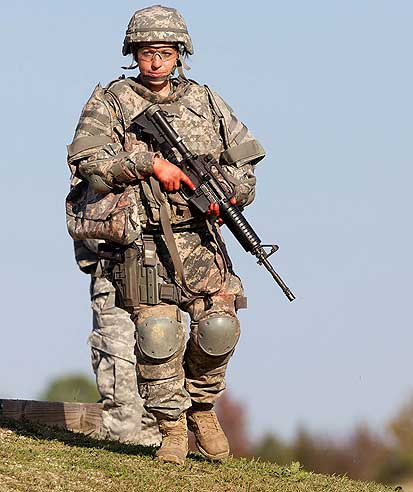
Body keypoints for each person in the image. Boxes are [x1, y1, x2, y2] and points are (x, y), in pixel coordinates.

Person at [66, 5, 265, 465]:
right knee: (157, 334)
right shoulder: (111, 101)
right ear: (133, 54)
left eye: (165, 52)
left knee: (219, 326)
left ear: (180, 54)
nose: (155, 62)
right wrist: (148, 164)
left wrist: (224, 193)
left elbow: (246, 167)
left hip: (198, 238)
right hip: (140, 242)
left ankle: (202, 407)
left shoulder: (206, 101)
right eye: (146, 52)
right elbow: (88, 163)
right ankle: (173, 428)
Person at [73, 239, 161, 446]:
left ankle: (152, 472)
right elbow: (94, 227)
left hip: (165, 283)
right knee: (123, 402)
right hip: (118, 277)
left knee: (160, 402)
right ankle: (115, 464)